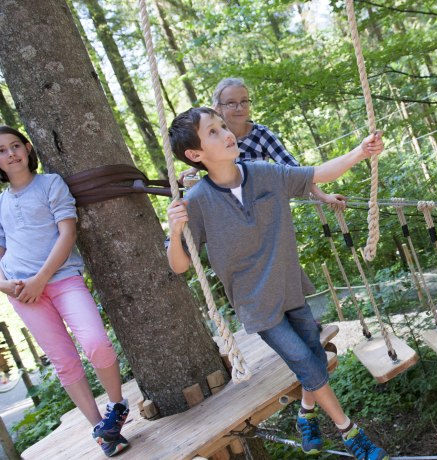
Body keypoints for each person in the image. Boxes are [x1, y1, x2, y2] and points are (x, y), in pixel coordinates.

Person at [166, 107, 388, 460]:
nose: (226, 133)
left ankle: (306, 414)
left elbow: (319, 174)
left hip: (288, 285)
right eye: (213, 132)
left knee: (314, 353)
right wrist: (176, 229)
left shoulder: (265, 173)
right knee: (303, 357)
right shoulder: (195, 202)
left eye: (224, 126)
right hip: (255, 302)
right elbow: (179, 265)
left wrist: (360, 151)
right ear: (195, 155)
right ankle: (349, 432)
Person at [0, 126, 129, 457]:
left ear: (28, 149)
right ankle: (103, 431)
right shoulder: (0, 203)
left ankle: (117, 406)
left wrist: (41, 279)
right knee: (64, 362)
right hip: (22, 294)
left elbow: (67, 234)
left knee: (96, 343)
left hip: (61, 280)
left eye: (15, 145)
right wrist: (6, 286)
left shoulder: (50, 184)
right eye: (1, 151)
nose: (10, 153)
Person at [179, 77, 343, 207]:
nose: (239, 107)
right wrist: (194, 169)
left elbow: (295, 170)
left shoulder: (261, 135)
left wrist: (323, 196)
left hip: (263, 208)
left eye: (244, 101)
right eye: (231, 103)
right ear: (217, 108)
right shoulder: (211, 143)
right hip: (229, 210)